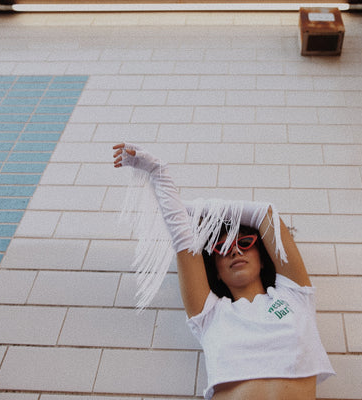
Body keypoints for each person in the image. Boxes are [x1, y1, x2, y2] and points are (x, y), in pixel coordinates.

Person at [113, 143, 334, 400]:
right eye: (222, 248)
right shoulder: (210, 313)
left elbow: (266, 213)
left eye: (245, 243)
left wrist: (191, 209)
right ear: (215, 270)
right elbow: (183, 238)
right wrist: (157, 171)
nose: (235, 251)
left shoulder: (294, 296)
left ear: (263, 259)